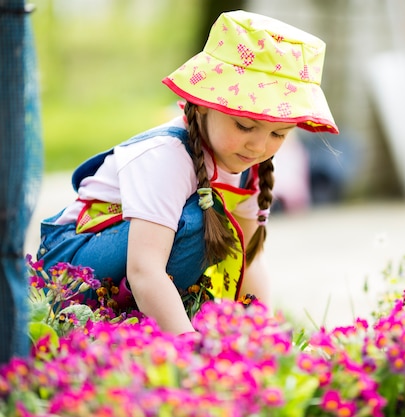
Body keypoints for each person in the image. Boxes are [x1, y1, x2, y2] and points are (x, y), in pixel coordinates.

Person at [36, 10, 338, 335]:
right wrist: (190, 348)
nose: (258, 146)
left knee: (212, 222)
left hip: (137, 264)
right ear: (205, 102)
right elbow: (145, 268)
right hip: (71, 266)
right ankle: (119, 322)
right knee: (201, 219)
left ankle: (145, 320)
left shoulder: (253, 167)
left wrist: (262, 335)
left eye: (278, 134)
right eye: (245, 125)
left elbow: (251, 259)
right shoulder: (167, 157)